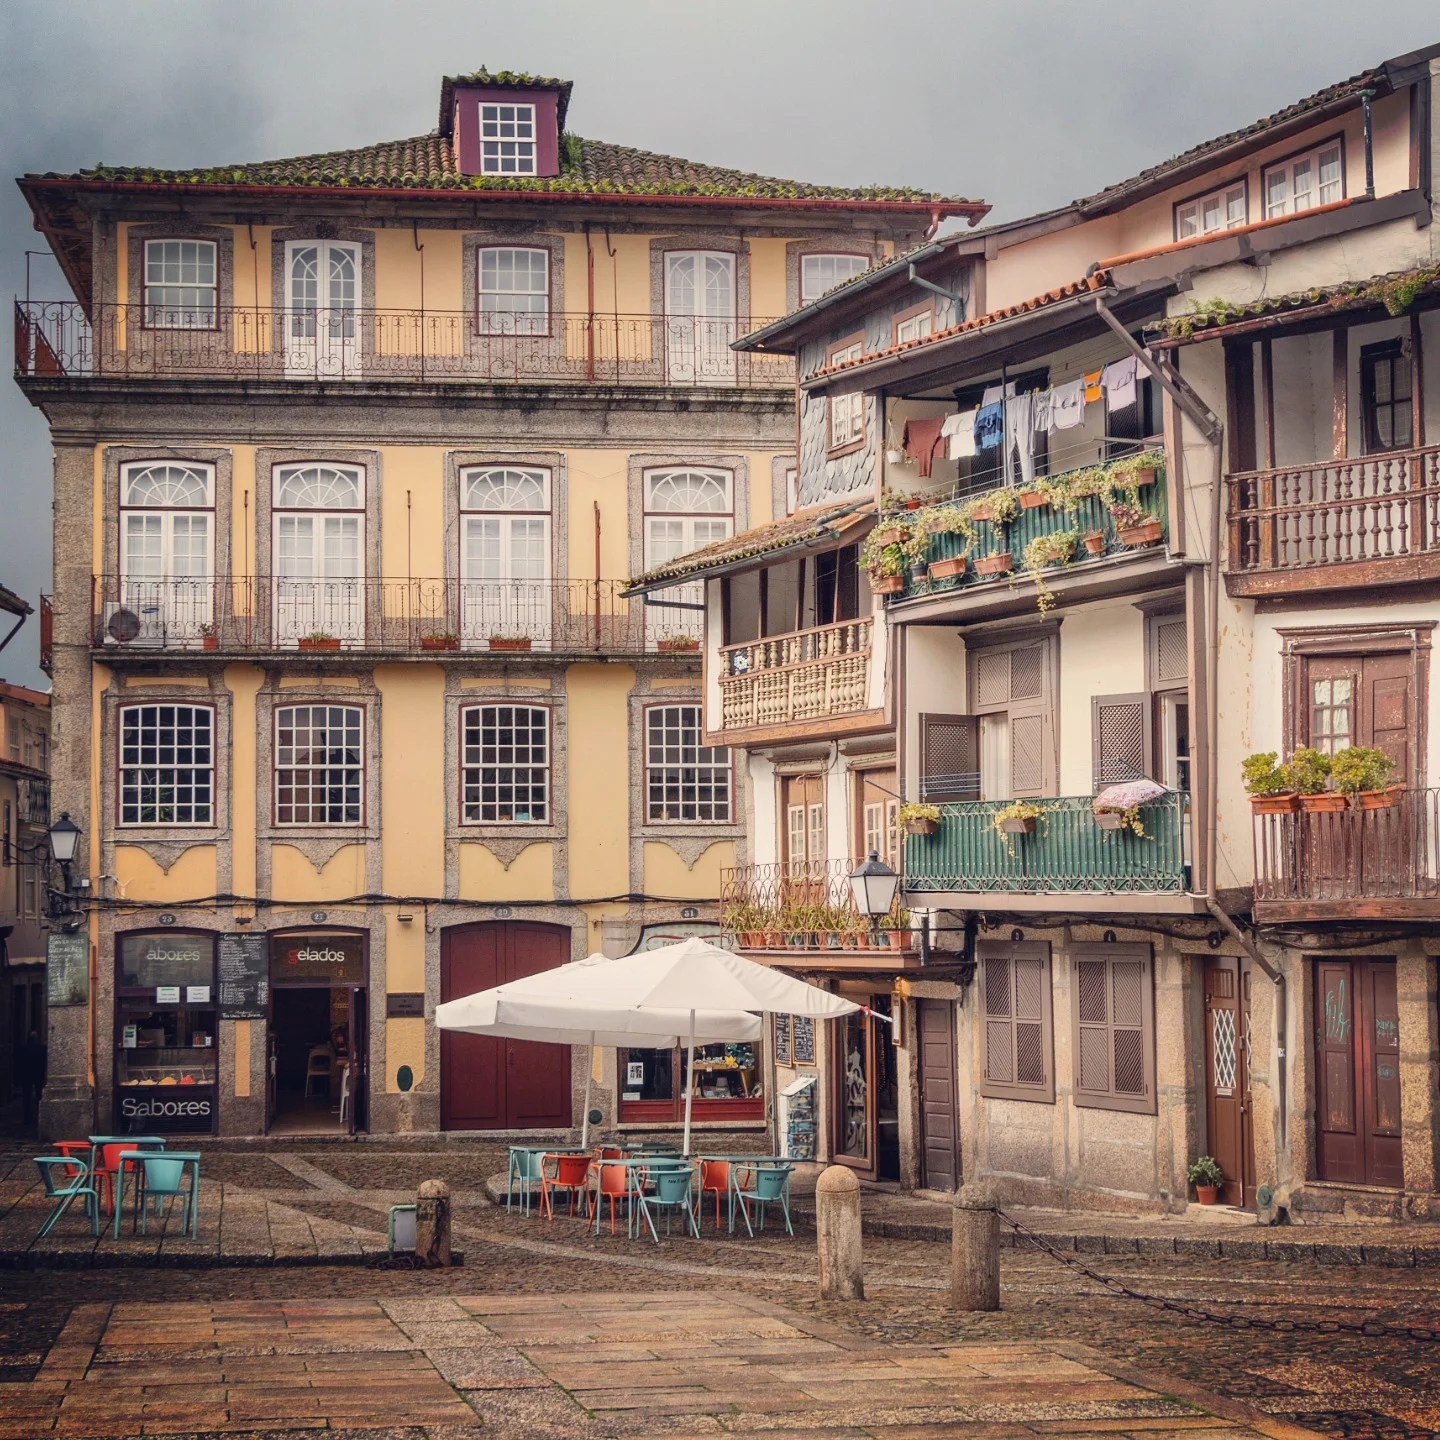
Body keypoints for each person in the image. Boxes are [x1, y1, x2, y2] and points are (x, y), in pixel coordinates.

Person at [16, 1029, 46, 1134]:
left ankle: (27, 1117)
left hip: (27, 1076)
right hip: (37, 1075)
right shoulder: (42, 1048)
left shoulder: (24, 1049)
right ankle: (38, 1116)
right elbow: (44, 1063)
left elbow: (19, 1063)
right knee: (38, 1096)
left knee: (27, 1097)